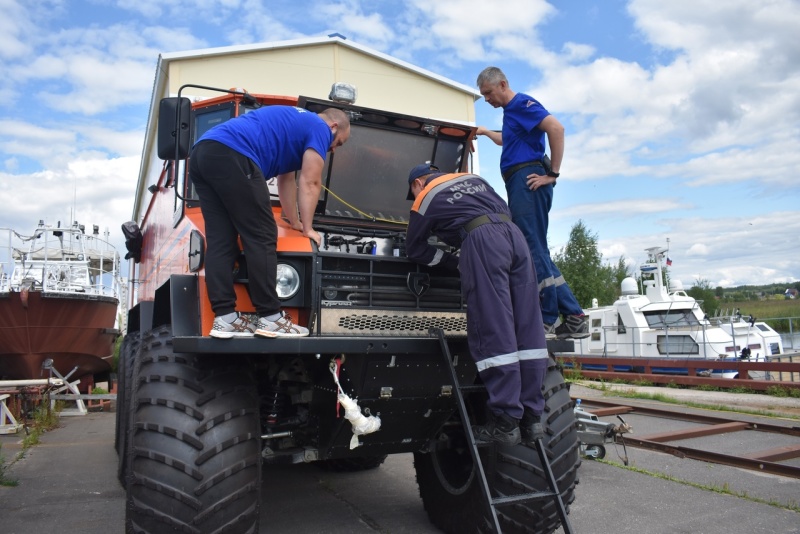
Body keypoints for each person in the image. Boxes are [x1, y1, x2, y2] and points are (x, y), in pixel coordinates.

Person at [404, 163, 546, 445]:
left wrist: (453, 261)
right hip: (515, 238)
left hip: (483, 241)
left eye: (411, 191)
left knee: (494, 324)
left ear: (418, 183)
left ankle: (505, 422)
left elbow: (414, 248)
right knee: (527, 326)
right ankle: (532, 419)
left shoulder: (425, 195)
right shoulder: (475, 179)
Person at [189, 105, 350, 339]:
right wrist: (308, 228)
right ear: (333, 126)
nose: (333, 149)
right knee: (263, 235)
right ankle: (271, 317)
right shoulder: (320, 127)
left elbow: (287, 181)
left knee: (222, 241)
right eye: (339, 143)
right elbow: (311, 182)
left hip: (202, 155)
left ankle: (225, 318)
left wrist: (294, 221)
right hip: (234, 153)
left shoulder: (296, 125)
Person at [475, 66, 588, 340]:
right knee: (537, 249)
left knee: (530, 247)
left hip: (528, 180)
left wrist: (553, 174)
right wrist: (485, 133)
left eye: (488, 93)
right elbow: (509, 139)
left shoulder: (522, 104)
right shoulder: (511, 112)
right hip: (519, 180)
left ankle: (547, 318)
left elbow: (556, 128)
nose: (487, 99)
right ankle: (574, 317)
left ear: (502, 84)